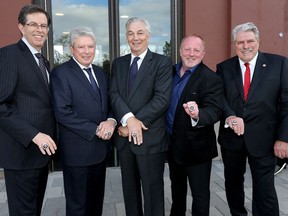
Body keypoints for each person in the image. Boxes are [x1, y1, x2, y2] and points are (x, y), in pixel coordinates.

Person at [216, 22, 288, 216]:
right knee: (232, 184)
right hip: (232, 138)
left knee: (264, 189)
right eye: (240, 42)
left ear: (258, 41)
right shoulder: (224, 68)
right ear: (234, 44)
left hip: (265, 139)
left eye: (250, 41)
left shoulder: (279, 64)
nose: (245, 46)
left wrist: (283, 138)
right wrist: (230, 115)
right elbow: (219, 98)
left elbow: (286, 105)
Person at [109, 17, 172, 216]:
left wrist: (134, 124)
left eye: (140, 33)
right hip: (125, 140)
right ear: (126, 37)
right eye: (130, 33)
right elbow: (113, 94)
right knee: (130, 194)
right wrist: (128, 120)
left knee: (153, 195)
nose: (135, 38)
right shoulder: (118, 64)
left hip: (149, 137)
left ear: (148, 35)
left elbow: (161, 99)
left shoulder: (162, 62)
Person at [50, 27, 116, 216]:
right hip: (77, 153)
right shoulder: (61, 73)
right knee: (78, 206)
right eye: (81, 47)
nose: (87, 51)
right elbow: (62, 112)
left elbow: (110, 103)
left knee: (96, 203)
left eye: (91, 46)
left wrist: (111, 121)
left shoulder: (100, 72)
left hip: (100, 150)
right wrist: (95, 129)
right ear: (71, 49)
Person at [0, 4, 57, 216]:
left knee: (33, 210)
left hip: (39, 155)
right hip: (21, 153)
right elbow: (1, 106)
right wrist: (33, 134)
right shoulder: (9, 55)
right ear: (21, 27)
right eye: (33, 24)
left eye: (44, 25)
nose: (40, 29)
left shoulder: (44, 61)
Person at [167, 34, 223, 216]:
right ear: (180, 51)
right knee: (177, 193)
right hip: (173, 146)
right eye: (187, 49)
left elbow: (215, 110)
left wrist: (198, 114)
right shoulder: (170, 73)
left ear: (203, 53)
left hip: (197, 149)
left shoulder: (210, 78)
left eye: (196, 50)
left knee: (200, 196)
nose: (191, 54)